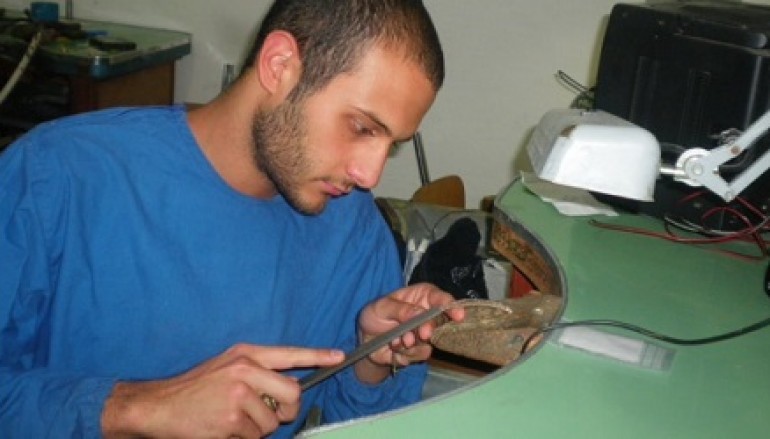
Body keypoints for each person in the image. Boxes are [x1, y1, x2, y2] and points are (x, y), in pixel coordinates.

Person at [0, 0, 465, 437]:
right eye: (362, 127)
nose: (370, 175)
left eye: (391, 143)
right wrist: (137, 408)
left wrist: (370, 360)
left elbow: (359, 426)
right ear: (279, 66)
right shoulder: (56, 175)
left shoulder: (354, 231)